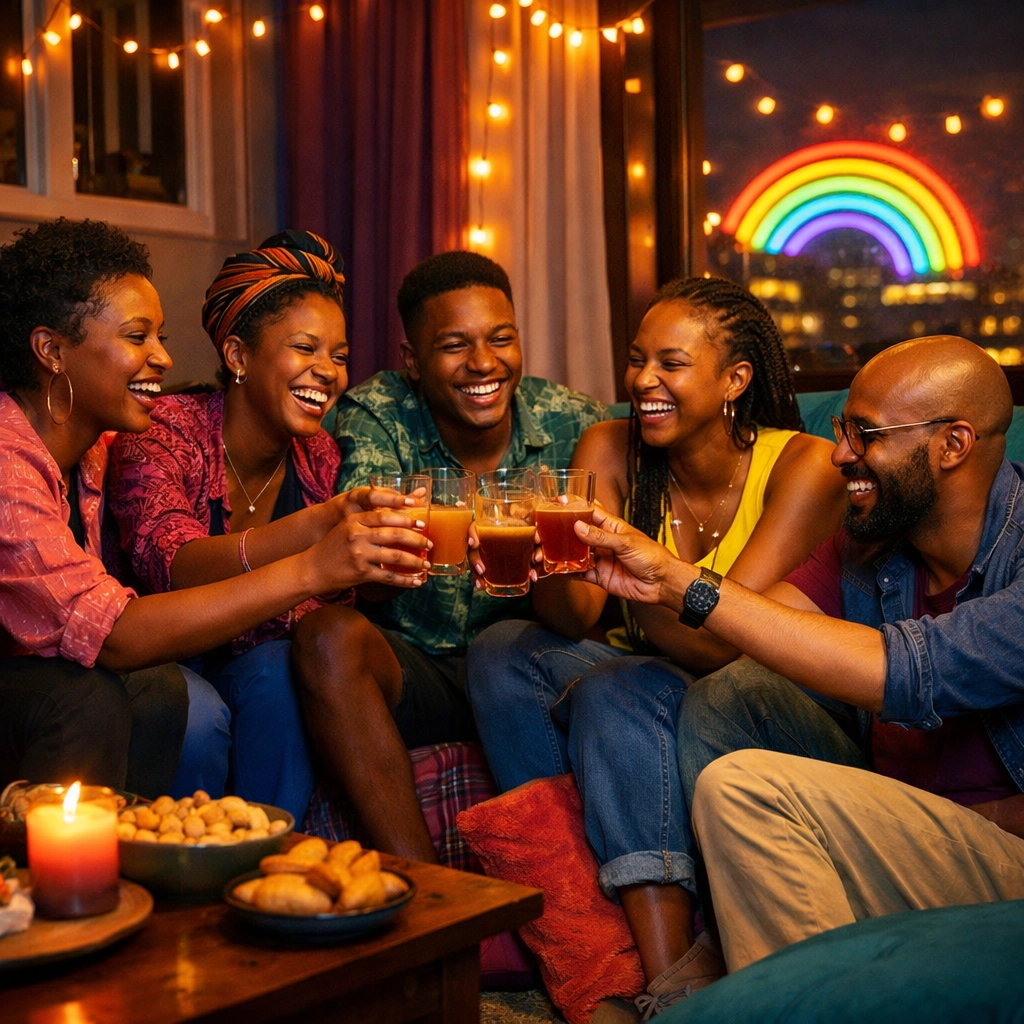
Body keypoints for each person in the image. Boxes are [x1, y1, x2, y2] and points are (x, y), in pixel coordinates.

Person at [569, 335, 1024, 982]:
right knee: (731, 692)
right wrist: (645, 577)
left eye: (866, 434)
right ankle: (770, 969)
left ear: (953, 444)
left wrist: (676, 580)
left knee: (741, 788)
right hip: (894, 816)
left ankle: (790, 990)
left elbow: (907, 673)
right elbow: (756, 627)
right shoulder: (873, 545)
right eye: (843, 430)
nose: (841, 454)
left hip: (1000, 852)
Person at [466, 276, 847, 1016]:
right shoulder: (611, 445)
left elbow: (725, 644)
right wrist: (550, 560)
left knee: (619, 687)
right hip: (640, 670)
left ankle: (673, 982)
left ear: (735, 378)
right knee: (501, 648)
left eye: (671, 363)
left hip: (749, 692)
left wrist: (645, 572)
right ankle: (586, 933)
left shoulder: (803, 465)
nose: (643, 381)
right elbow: (574, 617)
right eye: (637, 359)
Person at [0, 217, 427, 797]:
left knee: (268, 673)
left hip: (155, 666)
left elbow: (325, 607)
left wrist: (376, 555)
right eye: (137, 337)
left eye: (161, 338)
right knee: (157, 700)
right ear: (52, 350)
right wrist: (314, 556)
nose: (164, 359)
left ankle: (259, 843)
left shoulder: (94, 449)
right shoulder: (31, 461)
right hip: (74, 680)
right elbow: (130, 613)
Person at [291, 250, 606, 861]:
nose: (484, 363)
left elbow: (583, 611)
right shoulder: (378, 415)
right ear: (412, 361)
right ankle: (428, 885)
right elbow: (365, 568)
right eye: (455, 345)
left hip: (524, 666)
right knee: (326, 635)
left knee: (515, 650)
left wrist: (544, 549)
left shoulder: (575, 422)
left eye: (501, 339)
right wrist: (402, 542)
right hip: (419, 666)